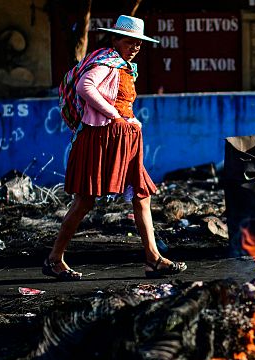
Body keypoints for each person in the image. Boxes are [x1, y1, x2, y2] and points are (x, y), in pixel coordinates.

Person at [44, 15, 187, 281]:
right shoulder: (106, 61)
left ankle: (153, 259)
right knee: (85, 200)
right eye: (130, 42)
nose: (135, 47)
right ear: (115, 39)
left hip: (125, 141)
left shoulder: (122, 67)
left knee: (142, 195)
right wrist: (115, 115)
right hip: (102, 140)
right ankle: (54, 259)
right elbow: (85, 86)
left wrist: (130, 121)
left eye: (138, 44)